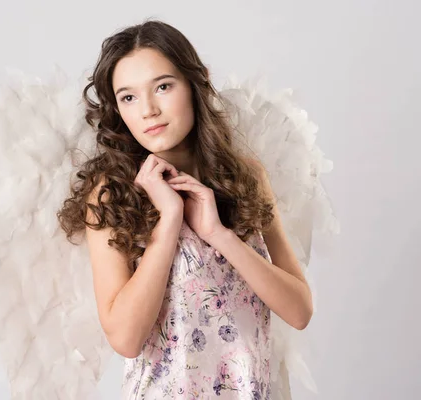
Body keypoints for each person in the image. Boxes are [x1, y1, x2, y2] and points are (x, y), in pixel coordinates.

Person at [57, 19, 313, 399]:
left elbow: (299, 311)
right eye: (128, 97)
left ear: (196, 82)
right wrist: (170, 222)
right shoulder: (112, 195)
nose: (148, 110)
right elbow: (126, 339)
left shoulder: (246, 176)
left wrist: (219, 235)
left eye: (163, 86)